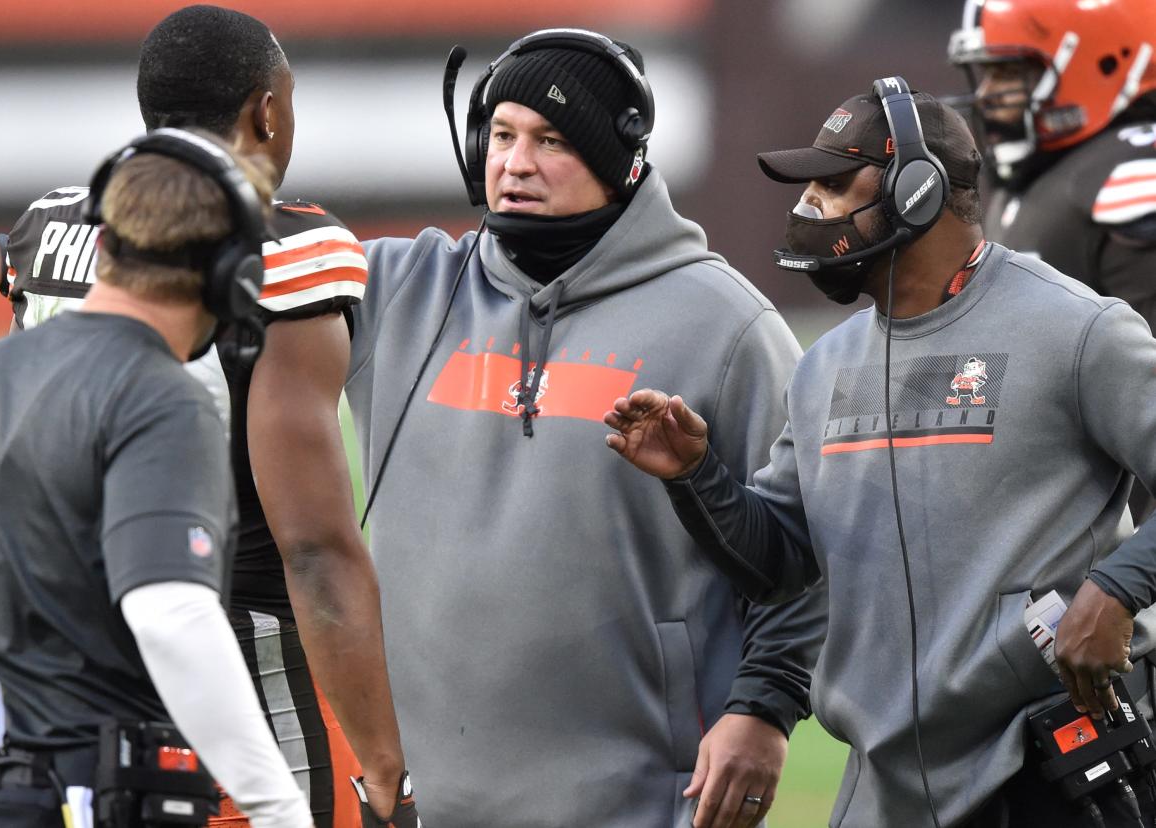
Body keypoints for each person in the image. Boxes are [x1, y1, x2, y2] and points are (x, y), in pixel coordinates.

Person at [0, 7, 417, 827]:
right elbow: (313, 547)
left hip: (35, 683)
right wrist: (389, 770)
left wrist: (7, 256)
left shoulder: (53, 227)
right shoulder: (284, 251)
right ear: (267, 112)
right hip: (229, 659)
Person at [605, 79, 1156, 827]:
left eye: (833, 185)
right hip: (880, 790)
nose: (809, 208)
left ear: (918, 189)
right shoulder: (824, 366)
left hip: (1048, 782)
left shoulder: (1079, 329)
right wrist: (695, 478)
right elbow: (783, 562)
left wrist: (1117, 590)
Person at [347, 29, 824, 828]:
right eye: (500, 136)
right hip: (421, 802)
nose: (515, 163)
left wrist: (765, 707)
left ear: (619, 159)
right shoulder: (398, 291)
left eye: (551, 140)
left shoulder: (730, 326)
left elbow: (805, 548)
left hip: (640, 801)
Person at [0, 129, 313, 827]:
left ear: (101, 244)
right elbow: (172, 614)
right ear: (233, 276)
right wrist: (278, 806)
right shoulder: (161, 395)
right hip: (89, 792)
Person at [948, 0, 1156, 520]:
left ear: (1105, 61)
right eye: (985, 72)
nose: (988, 92)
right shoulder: (1035, 177)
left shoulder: (1131, 172)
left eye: (1009, 70)